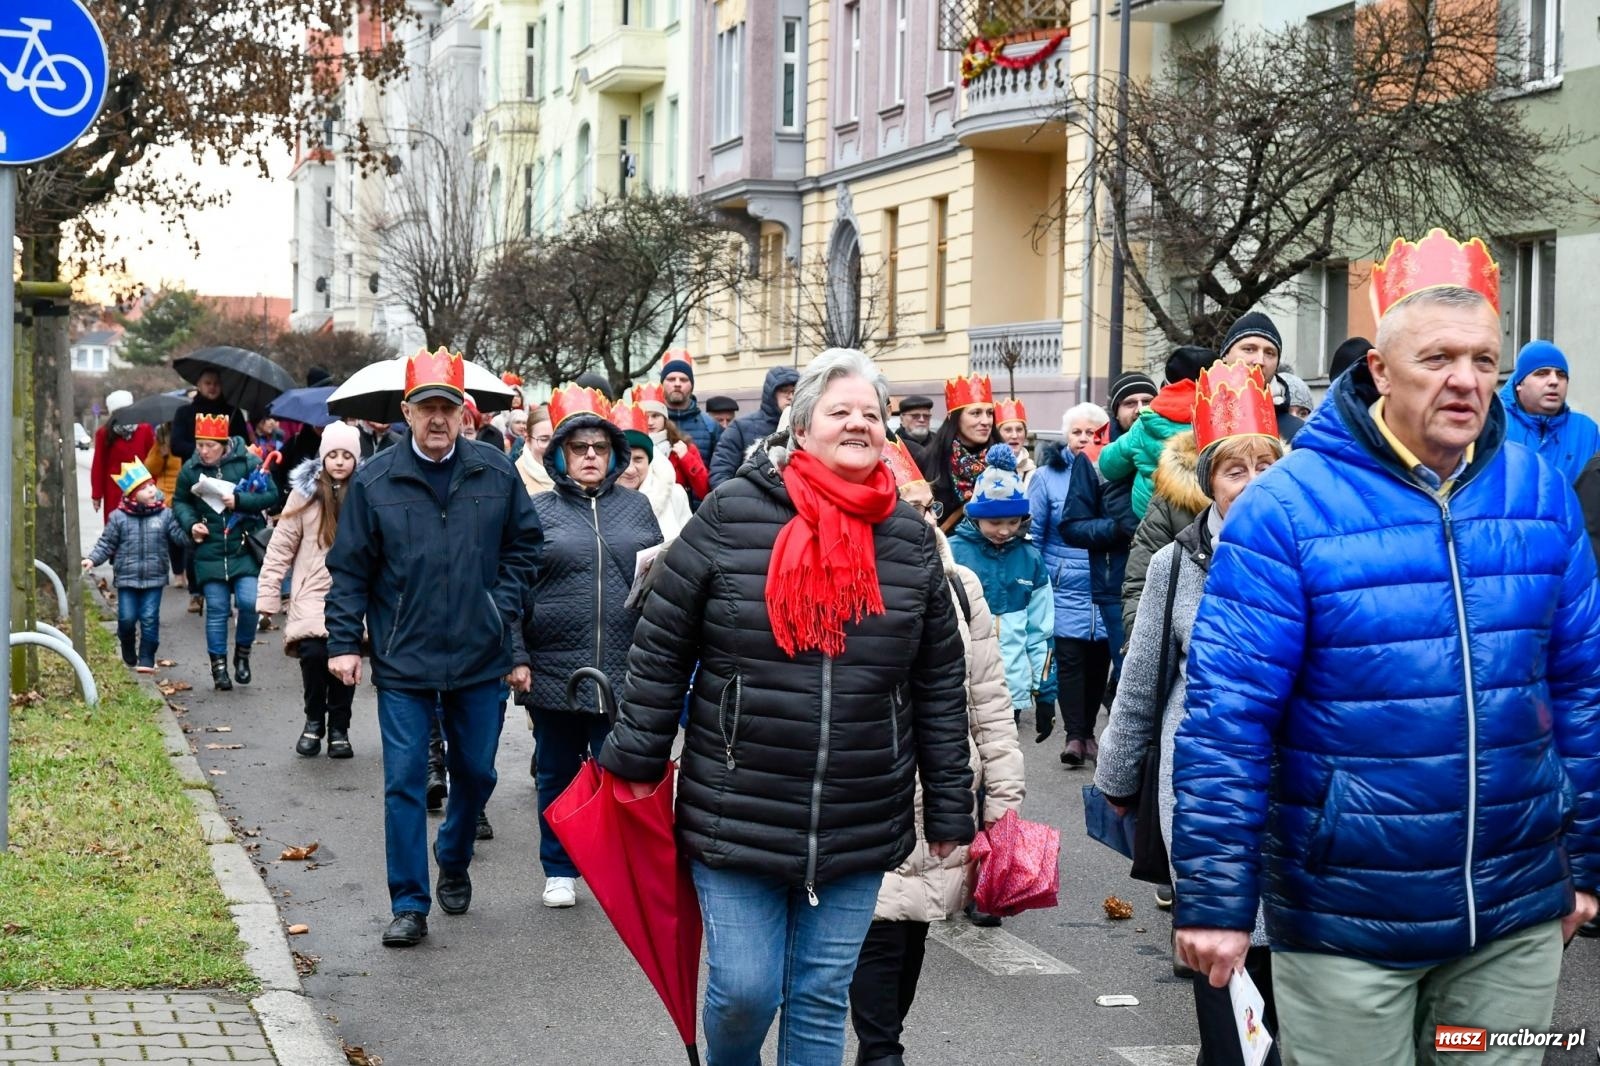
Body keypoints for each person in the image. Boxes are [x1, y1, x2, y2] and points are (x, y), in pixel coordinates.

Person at [1170, 230, 1600, 1063]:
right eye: (1437, 358)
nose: (1466, 381)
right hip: (1348, 921)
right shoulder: (1287, 510)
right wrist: (1217, 899)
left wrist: (1585, 863)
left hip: (1511, 915)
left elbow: (1583, 689)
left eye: (1484, 360)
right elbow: (1227, 720)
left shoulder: (1540, 495)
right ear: (1378, 370)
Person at [599, 348, 974, 1065]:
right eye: (841, 412)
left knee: (820, 996)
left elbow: (936, 681)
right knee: (743, 991)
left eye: (872, 414)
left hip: (862, 813)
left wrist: (952, 808)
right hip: (737, 805)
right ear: (800, 428)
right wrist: (639, 758)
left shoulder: (908, 538)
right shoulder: (733, 510)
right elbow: (661, 643)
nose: (859, 424)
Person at [1095, 362, 1285, 1065]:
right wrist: (1116, 777)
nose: (1254, 482)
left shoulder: (1318, 555)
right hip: (1202, 794)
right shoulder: (1179, 563)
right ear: (1211, 482)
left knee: (1284, 980)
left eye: (1267, 465)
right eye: (1236, 470)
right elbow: (1142, 679)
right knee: (1225, 981)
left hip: (1299, 793)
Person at [324, 347, 543, 948]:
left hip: (479, 654)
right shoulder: (375, 481)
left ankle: (454, 852)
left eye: (448, 407)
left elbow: (525, 547)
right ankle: (409, 903)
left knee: (476, 772)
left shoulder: (495, 474)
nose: (438, 419)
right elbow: (350, 571)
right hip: (404, 657)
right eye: (427, 409)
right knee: (403, 782)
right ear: (407, 413)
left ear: (464, 413)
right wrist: (344, 644)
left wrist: (499, 602)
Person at [849, 438, 1025, 1066]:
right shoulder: (843, 572)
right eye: (903, 506)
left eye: (924, 508)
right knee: (879, 919)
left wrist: (1003, 796)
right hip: (867, 777)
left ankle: (884, 1040)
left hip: (944, 778)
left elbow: (988, 694)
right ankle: (880, 1050)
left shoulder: (958, 581)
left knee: (916, 920)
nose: (917, 521)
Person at [522, 385, 663, 909]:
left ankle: (615, 863)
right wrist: (516, 654)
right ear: (559, 454)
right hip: (556, 663)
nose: (588, 456)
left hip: (626, 663)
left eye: (598, 448)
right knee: (558, 769)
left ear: (613, 455)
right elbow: (513, 585)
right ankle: (559, 868)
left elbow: (658, 575)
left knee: (619, 767)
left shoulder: (637, 507)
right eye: (577, 448)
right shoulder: (538, 510)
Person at [257, 422, 361, 760]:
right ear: (323, 456)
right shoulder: (304, 494)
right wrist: (269, 596)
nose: (340, 462)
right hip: (311, 590)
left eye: (347, 455)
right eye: (333, 454)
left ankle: (340, 728)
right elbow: (281, 546)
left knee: (345, 659)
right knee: (314, 656)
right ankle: (314, 720)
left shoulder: (365, 494)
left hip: (350, 593)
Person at [949, 445, 1057, 748]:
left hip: (1012, 687)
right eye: (995, 522)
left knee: (1002, 762)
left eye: (1012, 521)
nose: (1005, 530)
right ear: (976, 517)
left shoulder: (1031, 558)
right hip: (961, 686)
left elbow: (1041, 631)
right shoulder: (953, 552)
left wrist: (1045, 692)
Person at [1034, 403, 1124, 765]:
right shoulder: (1045, 476)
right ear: (1065, 436)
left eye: (1092, 433)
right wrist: (1038, 582)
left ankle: (1088, 732)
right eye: (1077, 432)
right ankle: (1074, 735)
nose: (1084, 439)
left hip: (1101, 578)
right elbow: (1036, 532)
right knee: (1069, 659)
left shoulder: (1112, 470)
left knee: (1099, 659)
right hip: (1062, 581)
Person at [172, 414, 280, 691]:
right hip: (210, 549)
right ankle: (219, 668)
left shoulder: (247, 462)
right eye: (199, 445)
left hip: (243, 546)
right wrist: (191, 524)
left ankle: (242, 655)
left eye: (209, 445)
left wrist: (241, 500)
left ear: (223, 444)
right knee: (217, 609)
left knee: (247, 602)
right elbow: (181, 502)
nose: (203, 451)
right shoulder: (191, 469)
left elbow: (272, 495)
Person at [82, 459, 185, 673]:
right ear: (131, 494)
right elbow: (107, 543)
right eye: (144, 487)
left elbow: (178, 536)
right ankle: (127, 645)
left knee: (149, 618)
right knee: (127, 618)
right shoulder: (118, 518)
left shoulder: (165, 514)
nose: (151, 490)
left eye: (151, 485)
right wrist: (92, 559)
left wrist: (193, 535)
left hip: (154, 577)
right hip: (127, 578)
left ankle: (147, 656)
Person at [1097, 359, 1206, 519]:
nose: (1140, 409)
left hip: (1151, 517)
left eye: (1147, 401)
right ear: (1116, 411)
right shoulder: (1210, 422)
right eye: (1130, 403)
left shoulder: (1140, 429)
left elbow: (1108, 465)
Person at [1499, 339, 1600, 486]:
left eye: (1561, 375)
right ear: (1519, 384)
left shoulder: (1586, 431)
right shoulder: (1496, 425)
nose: (1554, 381)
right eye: (1542, 373)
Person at [918, 373, 997, 531]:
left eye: (989, 413)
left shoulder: (1001, 461)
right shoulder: (930, 460)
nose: (986, 421)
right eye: (975, 413)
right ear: (955, 418)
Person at [1212, 312, 1304, 441]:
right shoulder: (1195, 422)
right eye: (1249, 349)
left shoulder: (1299, 434)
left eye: (1270, 353)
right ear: (1225, 356)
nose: (1260, 361)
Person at [708, 365, 799, 488]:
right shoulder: (740, 428)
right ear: (771, 394)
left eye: (795, 391)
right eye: (784, 391)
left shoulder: (806, 430)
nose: (790, 396)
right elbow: (720, 475)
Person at [612, 400, 692, 540]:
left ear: (649, 461)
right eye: (623, 460)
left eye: (638, 459)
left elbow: (692, 544)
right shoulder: (596, 503)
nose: (630, 470)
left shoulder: (675, 495)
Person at [634, 383, 712, 504]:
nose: (650, 422)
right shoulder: (629, 448)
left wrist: (686, 458)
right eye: (645, 416)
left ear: (664, 418)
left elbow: (705, 490)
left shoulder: (683, 447)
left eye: (655, 416)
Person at [91, 391, 156, 525]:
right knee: (116, 530)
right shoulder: (104, 434)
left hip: (142, 487)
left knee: (142, 528)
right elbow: (99, 465)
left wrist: (155, 485)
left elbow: (152, 459)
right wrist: (97, 495)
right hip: (115, 491)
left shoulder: (144, 430)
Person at [659, 349, 723, 464]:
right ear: (662, 384)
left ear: (692, 385)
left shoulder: (711, 426)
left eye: (683, 380)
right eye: (671, 379)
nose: (677, 384)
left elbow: (719, 468)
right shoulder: (650, 422)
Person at [171, 369, 249, 461]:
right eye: (208, 383)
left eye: (217, 383)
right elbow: (176, 446)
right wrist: (204, 451)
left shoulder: (233, 412)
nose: (212, 387)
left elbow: (244, 443)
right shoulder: (184, 412)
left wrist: (224, 449)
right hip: (193, 469)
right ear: (199, 385)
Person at [144, 422, 188, 584]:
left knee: (188, 533)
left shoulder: (188, 437)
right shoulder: (161, 440)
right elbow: (150, 468)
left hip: (186, 491)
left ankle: (187, 570)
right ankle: (178, 572)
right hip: (167, 495)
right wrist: (161, 455)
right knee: (172, 536)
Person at [993, 399, 1036, 486]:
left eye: (1019, 430)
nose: (1014, 436)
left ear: (1025, 434)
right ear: (997, 435)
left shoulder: (1034, 473)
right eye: (1008, 430)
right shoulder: (988, 469)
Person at [516, 408, 555, 496]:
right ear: (528, 440)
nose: (552, 446)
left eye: (557, 439)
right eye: (544, 440)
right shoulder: (514, 479)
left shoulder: (577, 474)